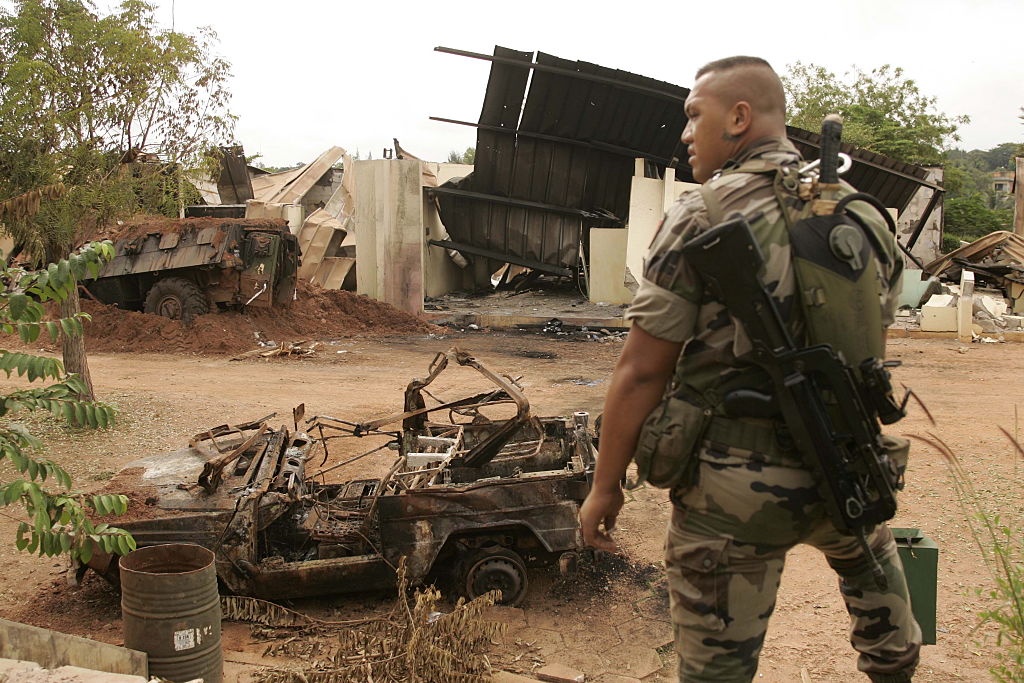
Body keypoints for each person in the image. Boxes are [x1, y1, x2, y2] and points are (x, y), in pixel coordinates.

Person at [578, 56, 922, 683]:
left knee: (715, 674)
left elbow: (642, 373)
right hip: (847, 470)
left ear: (739, 117)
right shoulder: (864, 216)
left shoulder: (700, 215)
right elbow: (866, 334)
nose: (685, 134)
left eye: (693, 116)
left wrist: (605, 486)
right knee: (894, 652)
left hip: (730, 494)